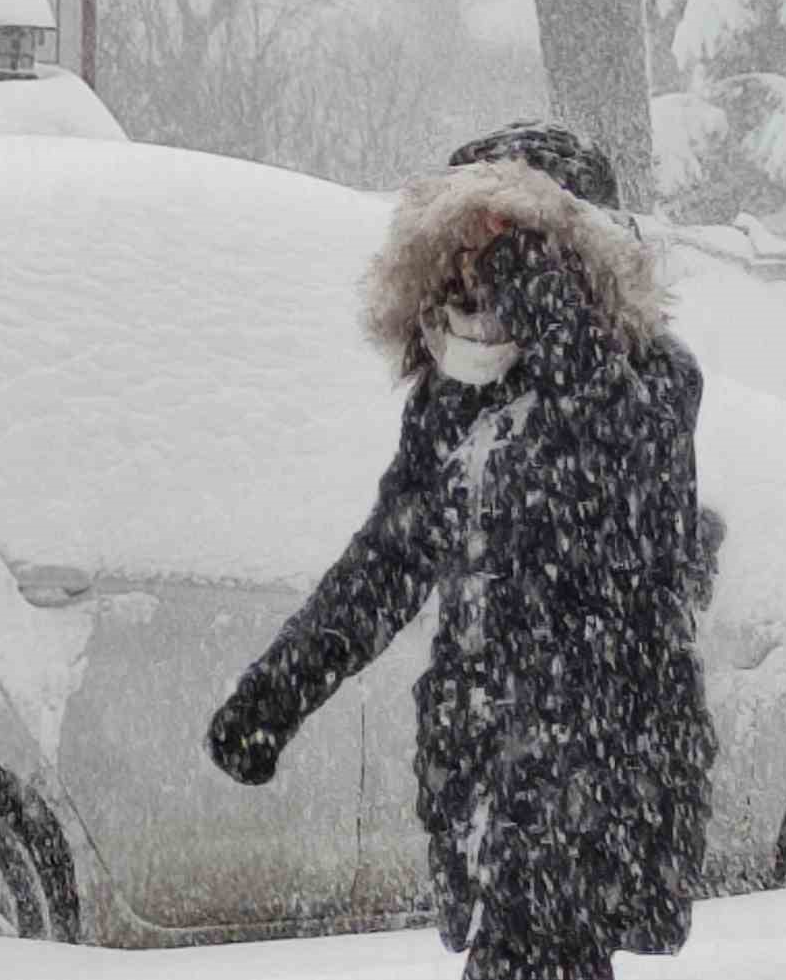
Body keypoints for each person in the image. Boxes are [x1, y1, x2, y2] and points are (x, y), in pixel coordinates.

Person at [206, 123, 717, 980]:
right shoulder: (455, 398)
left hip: (594, 781)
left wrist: (535, 278)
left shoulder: (651, 377)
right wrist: (278, 691)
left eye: (515, 246)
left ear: (573, 255)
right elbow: (387, 561)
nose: (485, 270)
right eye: (470, 245)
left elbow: (625, 469)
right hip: (486, 773)